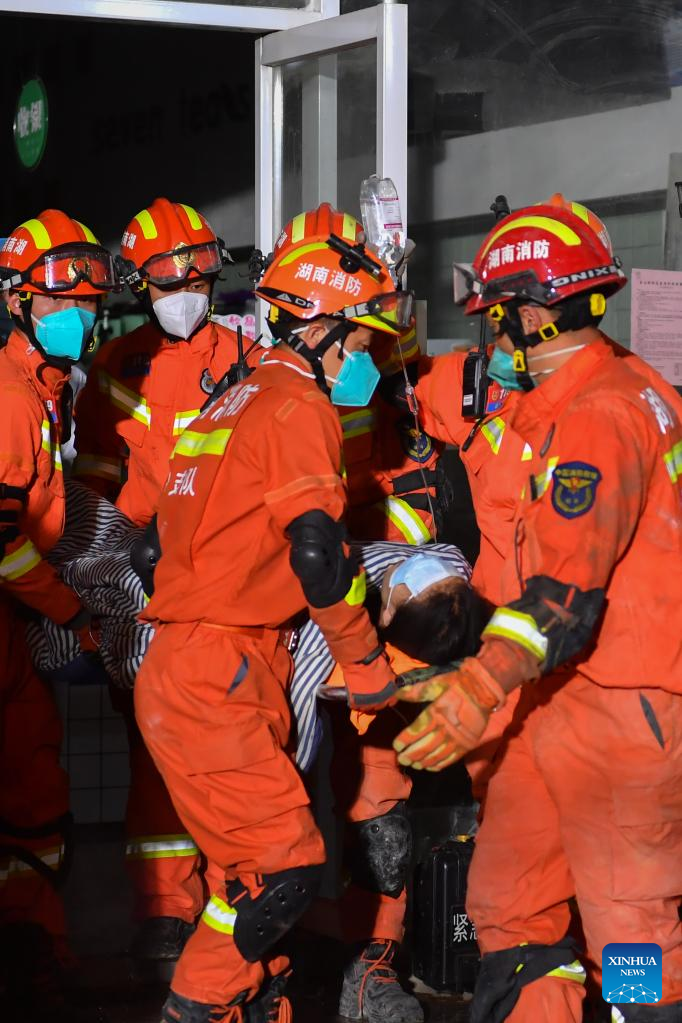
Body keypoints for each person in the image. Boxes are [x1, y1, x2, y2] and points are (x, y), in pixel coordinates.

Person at [392, 202, 682, 1022]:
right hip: (545, 706)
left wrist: (473, 689)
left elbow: (564, 596)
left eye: (493, 317)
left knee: (632, 936)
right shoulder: (588, 394)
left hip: (620, 713)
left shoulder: (600, 417)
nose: (490, 339)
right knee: (514, 915)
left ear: (527, 312)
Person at [134, 204, 407, 1023]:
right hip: (220, 671)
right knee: (287, 868)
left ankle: (248, 1003)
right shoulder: (297, 409)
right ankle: (196, 1006)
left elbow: (154, 548)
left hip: (197, 664)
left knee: (243, 877)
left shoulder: (230, 400)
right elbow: (319, 557)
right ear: (319, 326)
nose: (366, 361)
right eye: (359, 343)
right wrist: (366, 667)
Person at [73, 198, 259, 964]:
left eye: (194, 274)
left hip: (237, 588)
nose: (181, 291)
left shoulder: (252, 354)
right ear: (136, 286)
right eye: (163, 279)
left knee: (239, 754)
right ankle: (164, 909)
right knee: (154, 755)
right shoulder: (118, 372)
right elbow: (95, 499)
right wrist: (116, 578)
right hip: (151, 594)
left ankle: (233, 907)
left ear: (214, 274)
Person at [0, 209, 117, 1020]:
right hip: (12, 606)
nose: (74, 318)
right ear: (17, 302)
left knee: (34, 791)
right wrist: (72, 607)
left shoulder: (46, 392)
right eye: (56, 304)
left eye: (85, 304)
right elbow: (4, 546)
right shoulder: (10, 399)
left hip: (10, 623)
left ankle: (30, 951)